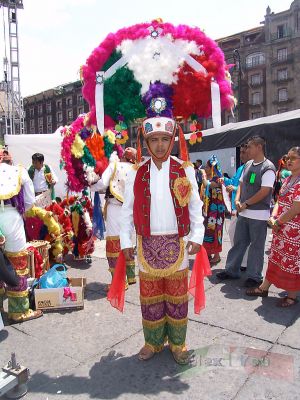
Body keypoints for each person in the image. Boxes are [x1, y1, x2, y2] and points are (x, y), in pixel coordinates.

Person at [119, 115, 204, 365]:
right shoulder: (136, 172)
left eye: (164, 139)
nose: (159, 145)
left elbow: (196, 206)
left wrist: (197, 235)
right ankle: (153, 342)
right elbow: (127, 211)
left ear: (173, 140)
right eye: (153, 140)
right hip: (146, 244)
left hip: (177, 243)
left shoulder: (185, 169)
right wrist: (126, 242)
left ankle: (178, 343)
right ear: (145, 143)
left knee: (177, 298)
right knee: (150, 298)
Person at [216, 136, 276, 287]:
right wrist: (237, 200)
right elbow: (241, 185)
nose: (246, 150)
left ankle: (255, 276)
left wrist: (246, 203)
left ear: (259, 147)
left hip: (259, 215)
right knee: (239, 243)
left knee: (256, 247)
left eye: (249, 147)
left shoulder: (268, 167)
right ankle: (231, 270)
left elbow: (265, 191)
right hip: (244, 212)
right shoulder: (248, 164)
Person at [246, 147, 300, 307]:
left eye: (294, 158)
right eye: (287, 157)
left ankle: (291, 296)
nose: (289, 161)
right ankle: (264, 287)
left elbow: (296, 209)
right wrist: (273, 216)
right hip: (280, 228)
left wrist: (278, 222)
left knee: (291, 262)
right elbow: (279, 201)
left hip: (294, 232)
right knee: (275, 258)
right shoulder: (287, 179)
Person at [0, 149, 43, 322]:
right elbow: (30, 201)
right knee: (17, 263)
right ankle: (18, 311)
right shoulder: (19, 171)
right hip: (12, 218)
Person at [91, 147, 137, 290]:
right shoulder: (136, 169)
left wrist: (91, 185)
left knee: (114, 244)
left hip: (115, 209)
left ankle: (118, 282)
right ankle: (128, 277)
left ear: (123, 156)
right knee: (126, 242)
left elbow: (103, 183)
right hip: (130, 211)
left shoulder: (115, 165)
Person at [224, 143, 250, 271]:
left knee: (241, 237)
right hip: (236, 206)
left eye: (245, 152)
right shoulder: (241, 168)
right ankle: (240, 261)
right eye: (241, 152)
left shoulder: (252, 169)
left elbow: (250, 188)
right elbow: (234, 182)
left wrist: (234, 188)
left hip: (245, 208)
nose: (242, 155)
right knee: (233, 234)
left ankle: (243, 263)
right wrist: (223, 179)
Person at [201, 155, 225, 265]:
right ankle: (208, 252)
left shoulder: (218, 179)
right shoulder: (213, 178)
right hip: (210, 210)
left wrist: (203, 175)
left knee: (216, 232)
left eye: (207, 167)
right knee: (208, 231)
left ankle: (217, 255)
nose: (205, 168)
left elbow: (207, 185)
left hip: (217, 212)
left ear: (212, 168)